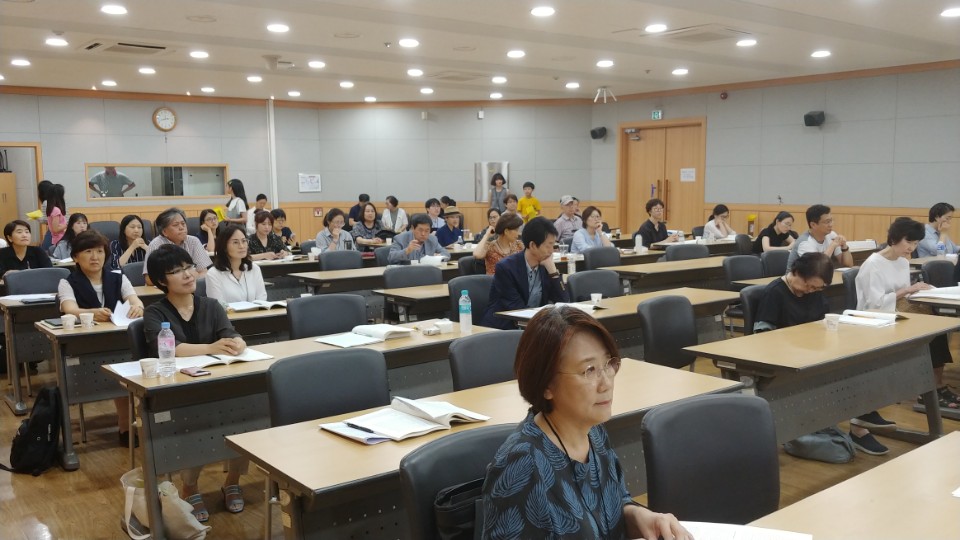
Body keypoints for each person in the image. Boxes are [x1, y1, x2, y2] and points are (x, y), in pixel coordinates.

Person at [481, 306, 688, 540]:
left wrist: (639, 516)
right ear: (546, 384)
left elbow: (613, 506)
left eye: (608, 364)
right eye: (589, 370)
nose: (606, 383)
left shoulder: (594, 432)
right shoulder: (520, 466)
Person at [144, 244, 249, 520]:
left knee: (247, 416)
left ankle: (233, 481)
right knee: (193, 423)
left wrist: (237, 342)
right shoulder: (155, 312)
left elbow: (231, 333)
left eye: (189, 267)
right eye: (177, 271)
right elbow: (171, 349)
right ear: (161, 281)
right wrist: (212, 347)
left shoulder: (211, 306)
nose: (188, 274)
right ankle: (190, 486)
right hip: (177, 391)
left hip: (217, 383)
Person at [857, 217, 957, 417]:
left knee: (936, 328)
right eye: (908, 242)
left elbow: (904, 295)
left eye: (916, 243)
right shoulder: (873, 264)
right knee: (927, 331)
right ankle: (928, 389)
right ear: (894, 238)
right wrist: (908, 290)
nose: (911, 247)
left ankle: (935, 385)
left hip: (897, 311)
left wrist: (920, 291)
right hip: (876, 317)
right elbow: (874, 304)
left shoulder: (903, 262)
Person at [58, 230, 144, 446]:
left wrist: (137, 308)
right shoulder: (68, 282)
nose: (95, 257)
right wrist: (91, 313)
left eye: (99, 251)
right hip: (84, 345)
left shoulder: (118, 277)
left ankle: (126, 426)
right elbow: (69, 309)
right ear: (76, 257)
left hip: (119, 341)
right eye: (88, 252)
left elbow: (136, 301)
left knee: (125, 370)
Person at [480, 217, 570, 329]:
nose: (552, 251)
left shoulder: (546, 265)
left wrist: (553, 272)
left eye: (553, 245)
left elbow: (564, 302)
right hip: (504, 328)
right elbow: (517, 309)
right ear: (532, 245)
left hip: (534, 325)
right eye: (548, 245)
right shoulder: (506, 268)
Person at [142, 208, 213, 283]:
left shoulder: (193, 241)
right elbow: (149, 279)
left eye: (183, 224)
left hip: (191, 286)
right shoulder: (156, 244)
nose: (182, 228)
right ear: (164, 232)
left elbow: (203, 272)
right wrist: (183, 279)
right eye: (175, 225)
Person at [206, 225, 268, 305]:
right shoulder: (213, 274)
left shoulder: (254, 268)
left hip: (256, 312)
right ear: (224, 246)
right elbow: (218, 306)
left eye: (244, 241)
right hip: (227, 313)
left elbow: (262, 298)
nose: (241, 246)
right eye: (235, 242)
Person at [785, 204, 853, 271]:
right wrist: (832, 245)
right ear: (813, 225)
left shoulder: (831, 235)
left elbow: (849, 265)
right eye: (827, 222)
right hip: (798, 278)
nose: (831, 224)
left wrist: (844, 246)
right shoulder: (804, 243)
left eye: (831, 220)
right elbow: (817, 268)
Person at [46, 183, 68, 248]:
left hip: (59, 239)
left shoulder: (53, 209)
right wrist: (67, 225)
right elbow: (55, 229)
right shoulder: (56, 210)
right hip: (60, 240)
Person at [37, 179, 55, 251]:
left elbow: (45, 220)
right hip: (65, 229)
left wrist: (37, 217)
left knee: (45, 250)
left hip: (53, 230)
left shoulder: (46, 202)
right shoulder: (62, 201)